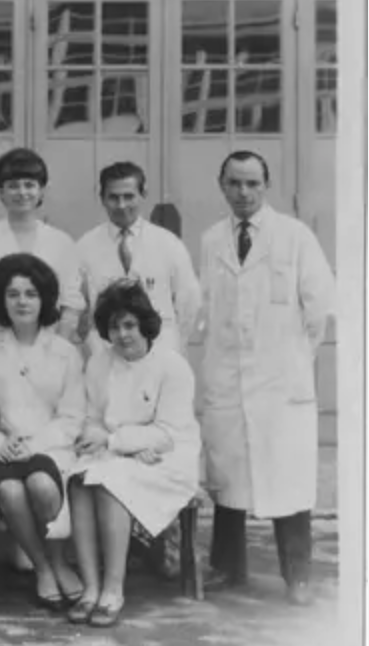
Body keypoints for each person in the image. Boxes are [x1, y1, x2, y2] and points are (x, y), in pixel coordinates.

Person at [198, 151, 335, 606]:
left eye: (252, 183)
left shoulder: (295, 237)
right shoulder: (211, 239)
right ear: (222, 185)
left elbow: (319, 310)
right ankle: (228, 569)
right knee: (228, 480)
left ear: (266, 186)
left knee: (288, 483)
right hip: (228, 379)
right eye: (235, 183)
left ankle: (297, 575)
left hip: (281, 383)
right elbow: (207, 308)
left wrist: (291, 357)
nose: (243, 192)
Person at [66, 280, 200, 628]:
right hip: (119, 452)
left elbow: (168, 434)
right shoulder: (99, 362)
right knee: (80, 480)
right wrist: (98, 437)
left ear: (144, 323)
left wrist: (117, 442)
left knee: (111, 483)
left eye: (129, 325)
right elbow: (93, 418)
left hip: (166, 460)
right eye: (113, 326)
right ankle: (90, 588)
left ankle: (113, 590)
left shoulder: (172, 366)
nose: (122, 335)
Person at [0, 254, 86, 609]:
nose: (22, 301)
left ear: (45, 299)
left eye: (31, 293)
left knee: (39, 484)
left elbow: (72, 417)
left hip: (51, 447)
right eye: (13, 294)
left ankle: (56, 560)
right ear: (1, 300)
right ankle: (43, 568)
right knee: (9, 490)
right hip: (4, 448)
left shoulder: (65, 352)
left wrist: (34, 445)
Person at [77, 162, 201, 358]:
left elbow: (189, 303)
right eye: (113, 197)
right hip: (105, 355)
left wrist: (172, 340)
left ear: (143, 194)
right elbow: (78, 306)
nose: (121, 205)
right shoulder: (85, 247)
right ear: (102, 198)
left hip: (159, 352)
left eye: (129, 196)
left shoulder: (168, 244)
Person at [0, 148, 84, 344]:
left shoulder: (62, 242)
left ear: (42, 190)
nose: (22, 193)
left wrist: (56, 346)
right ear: (0, 192)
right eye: (13, 186)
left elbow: (71, 303)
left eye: (29, 185)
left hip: (51, 343)